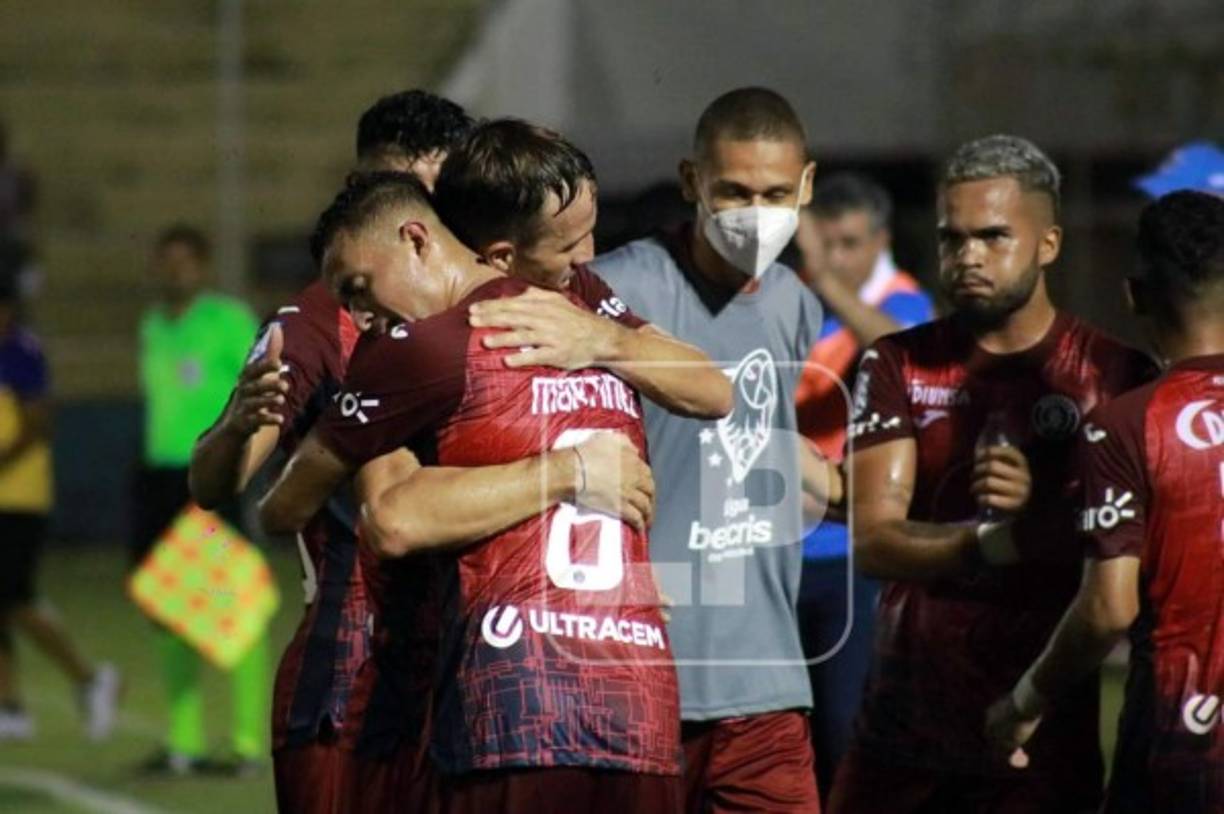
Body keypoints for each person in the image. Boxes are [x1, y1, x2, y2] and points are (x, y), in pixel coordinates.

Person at [260, 170, 694, 813]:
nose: (360, 316)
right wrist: (578, 454)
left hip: (514, 702)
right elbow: (717, 392)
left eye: (359, 287)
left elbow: (373, 517)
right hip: (638, 705)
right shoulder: (586, 324)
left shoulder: (425, 347)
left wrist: (565, 471)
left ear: (416, 238)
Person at [827, 134, 1157, 813]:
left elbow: (1132, 560)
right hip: (900, 735)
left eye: (993, 236)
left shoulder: (1116, 375)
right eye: (952, 238)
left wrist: (1046, 513)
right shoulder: (898, 363)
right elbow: (873, 541)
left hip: (1038, 741)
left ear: (1048, 244)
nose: (968, 255)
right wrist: (994, 540)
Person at [189, 89, 476, 811]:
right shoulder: (317, 321)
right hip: (352, 675)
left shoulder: (495, 305)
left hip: (476, 672)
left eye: (436, 199)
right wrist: (236, 426)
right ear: (360, 189)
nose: (415, 225)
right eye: (399, 192)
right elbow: (218, 481)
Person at [590, 86, 828, 812]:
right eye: (734, 193)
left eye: (775, 194)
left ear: (806, 185)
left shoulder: (794, 303)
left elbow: (762, 447)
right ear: (693, 181)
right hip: (638, 675)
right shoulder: (614, 290)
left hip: (768, 681)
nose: (756, 214)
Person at [986, 190, 1224, 814]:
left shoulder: (1128, 424)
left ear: (1134, 295)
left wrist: (1024, 702)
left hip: (1182, 740)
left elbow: (1108, 607)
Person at [792, 172, 934, 795]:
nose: (836, 258)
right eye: (826, 244)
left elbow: (896, 349)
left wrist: (824, 275)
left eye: (849, 244)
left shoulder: (903, 303)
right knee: (786, 735)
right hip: (778, 547)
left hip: (852, 552)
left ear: (881, 241)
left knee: (846, 728)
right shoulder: (794, 299)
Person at [134, 223, 263, 774]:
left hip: (210, 478)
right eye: (166, 261)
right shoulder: (152, 325)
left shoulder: (228, 321)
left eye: (185, 261)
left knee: (233, 607)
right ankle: (183, 743)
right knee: (167, 608)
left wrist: (242, 465)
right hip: (159, 478)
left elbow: (262, 389)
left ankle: (248, 743)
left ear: (204, 266)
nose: (174, 271)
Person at [0, 265, 119, 742]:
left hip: (19, 497)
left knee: (15, 598)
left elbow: (36, 425)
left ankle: (90, 679)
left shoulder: (21, 352)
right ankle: (10, 706)